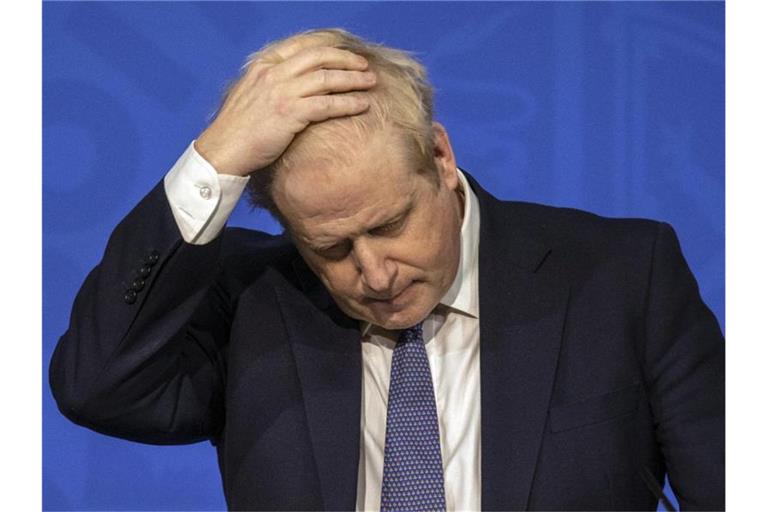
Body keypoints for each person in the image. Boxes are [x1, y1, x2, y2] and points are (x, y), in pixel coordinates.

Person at [49, 28, 725, 511]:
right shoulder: (251, 304)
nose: (374, 274)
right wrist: (215, 157)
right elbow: (96, 387)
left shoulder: (623, 275)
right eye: (330, 247)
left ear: (441, 158)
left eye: (389, 225)